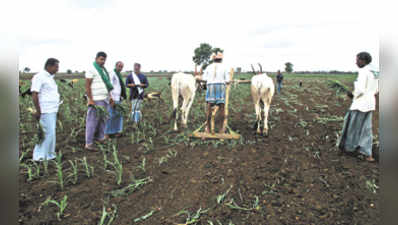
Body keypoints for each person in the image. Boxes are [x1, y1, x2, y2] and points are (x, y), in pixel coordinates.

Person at [337, 52, 379, 162]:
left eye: (357, 60)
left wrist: (352, 94)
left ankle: (349, 149)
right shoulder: (375, 71)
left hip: (360, 104)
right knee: (366, 129)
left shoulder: (364, 71)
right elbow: (377, 89)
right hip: (370, 103)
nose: (356, 62)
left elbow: (360, 90)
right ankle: (366, 153)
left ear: (363, 60)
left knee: (352, 127)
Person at [30, 58, 61, 161]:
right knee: (46, 133)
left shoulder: (50, 78)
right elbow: (34, 94)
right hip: (45, 110)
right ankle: (39, 156)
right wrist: (38, 111)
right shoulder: (39, 77)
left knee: (51, 133)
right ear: (49, 66)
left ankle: (49, 155)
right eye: (56, 66)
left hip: (52, 109)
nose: (57, 69)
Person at [84, 51, 115, 150]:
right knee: (92, 121)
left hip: (104, 98)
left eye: (104, 60)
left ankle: (100, 137)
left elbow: (107, 86)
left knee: (103, 119)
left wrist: (110, 97)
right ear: (96, 59)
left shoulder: (104, 71)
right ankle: (89, 143)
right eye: (101, 59)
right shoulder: (91, 69)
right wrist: (90, 99)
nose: (103, 61)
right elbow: (87, 85)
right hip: (96, 100)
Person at [200, 52, 231, 134]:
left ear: (214, 59)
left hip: (210, 86)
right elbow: (227, 80)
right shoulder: (225, 67)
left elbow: (204, 79)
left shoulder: (208, 67)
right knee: (222, 108)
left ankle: (208, 129)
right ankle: (221, 130)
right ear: (221, 60)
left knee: (209, 108)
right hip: (220, 86)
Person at [104, 61, 127, 138]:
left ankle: (117, 131)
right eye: (119, 66)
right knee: (110, 115)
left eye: (122, 67)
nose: (120, 68)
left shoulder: (118, 74)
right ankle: (106, 133)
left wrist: (121, 96)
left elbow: (119, 87)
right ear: (116, 65)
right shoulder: (112, 73)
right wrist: (110, 98)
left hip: (118, 98)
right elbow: (108, 86)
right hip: (113, 98)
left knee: (118, 114)